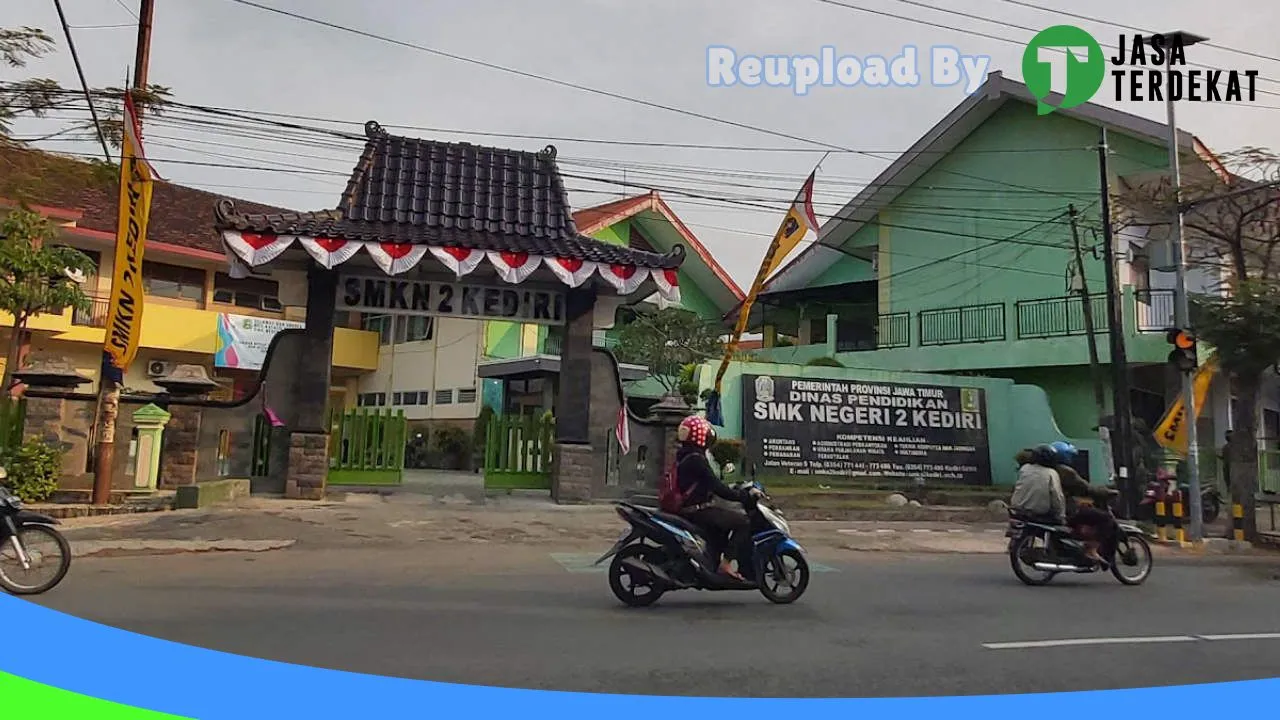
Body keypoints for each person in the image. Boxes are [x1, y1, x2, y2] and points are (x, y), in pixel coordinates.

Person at [674, 415, 758, 580]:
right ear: (700, 437)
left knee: (722, 525)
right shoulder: (697, 459)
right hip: (697, 509)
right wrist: (742, 496)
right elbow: (717, 487)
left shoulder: (684, 455)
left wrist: (732, 489)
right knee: (743, 522)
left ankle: (712, 561)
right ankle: (726, 564)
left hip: (689, 507)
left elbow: (710, 484)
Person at [1047, 441, 1118, 566]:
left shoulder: (1048, 470)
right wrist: (1106, 492)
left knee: (1087, 510)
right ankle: (1091, 548)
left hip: (1053, 508)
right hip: (1067, 510)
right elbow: (1086, 488)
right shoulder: (1066, 472)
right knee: (1106, 519)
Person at [1010, 444, 1067, 527]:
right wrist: (1061, 516)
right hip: (1039, 514)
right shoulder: (1051, 473)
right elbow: (1057, 497)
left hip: (1017, 511)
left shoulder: (1024, 468)